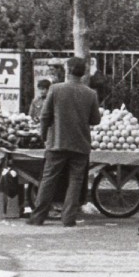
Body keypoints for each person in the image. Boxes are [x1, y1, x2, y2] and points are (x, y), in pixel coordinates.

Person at [29, 57, 100, 227]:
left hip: (57, 142)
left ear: (67, 70)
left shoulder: (55, 89)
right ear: (83, 73)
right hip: (81, 144)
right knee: (75, 181)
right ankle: (68, 218)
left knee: (49, 179)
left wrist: (43, 135)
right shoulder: (91, 93)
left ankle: (38, 217)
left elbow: (45, 116)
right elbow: (95, 120)